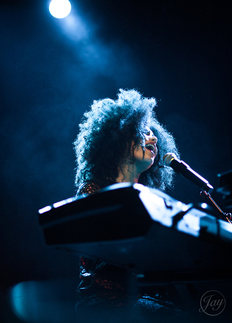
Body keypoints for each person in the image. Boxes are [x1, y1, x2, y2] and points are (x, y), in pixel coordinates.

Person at [73, 89, 183, 322]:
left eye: (154, 135)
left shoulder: (152, 200)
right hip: (107, 305)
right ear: (119, 139)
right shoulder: (93, 191)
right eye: (144, 133)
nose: (153, 139)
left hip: (149, 301)